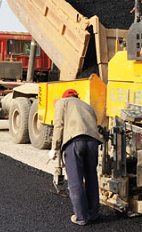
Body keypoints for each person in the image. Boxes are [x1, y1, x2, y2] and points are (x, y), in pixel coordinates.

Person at [48, 89, 103, 226]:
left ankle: (80, 217)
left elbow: (59, 125)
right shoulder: (87, 106)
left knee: (75, 180)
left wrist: (54, 147)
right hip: (92, 143)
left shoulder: (62, 103)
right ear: (77, 97)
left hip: (74, 142)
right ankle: (93, 213)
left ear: (65, 97)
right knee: (91, 177)